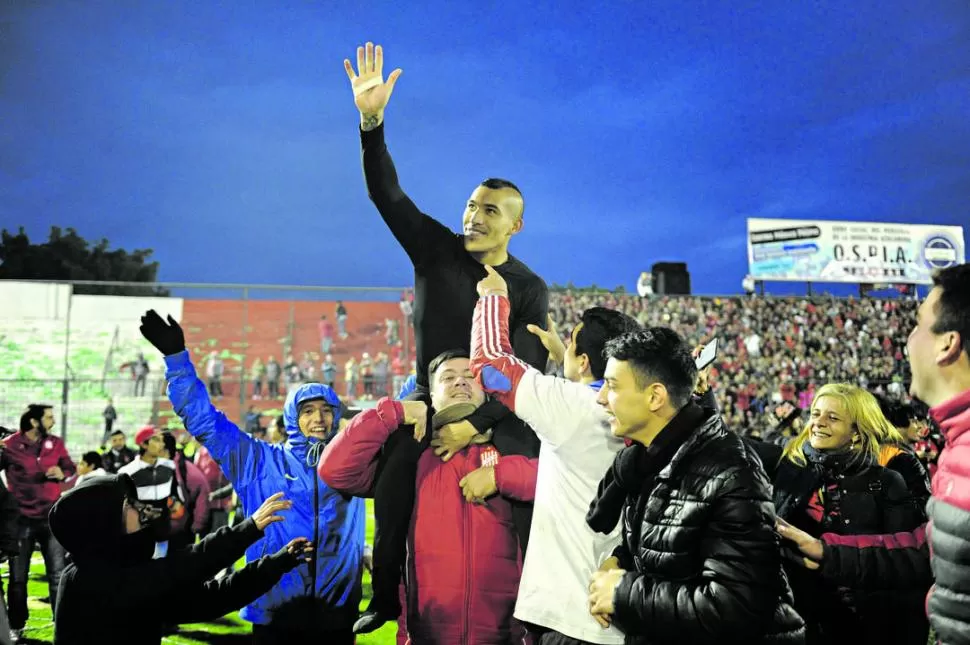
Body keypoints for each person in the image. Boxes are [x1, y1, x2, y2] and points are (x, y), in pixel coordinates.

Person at [344, 41, 549, 631]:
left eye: (490, 210)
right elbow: (387, 194)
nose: (474, 216)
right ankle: (386, 598)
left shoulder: (529, 287)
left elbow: (527, 369)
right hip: (429, 399)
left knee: (531, 484)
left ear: (516, 223)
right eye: (471, 205)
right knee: (392, 480)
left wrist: (475, 425)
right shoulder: (436, 252)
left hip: (498, 412)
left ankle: (535, 609)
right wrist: (372, 122)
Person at [139, 309, 366, 645]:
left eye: (326, 410)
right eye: (307, 411)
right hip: (274, 609)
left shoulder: (355, 462)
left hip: (337, 613)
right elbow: (204, 421)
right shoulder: (257, 461)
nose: (319, 418)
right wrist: (176, 359)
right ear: (292, 417)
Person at [776, 263, 970, 645]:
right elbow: (927, 549)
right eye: (816, 414)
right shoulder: (957, 448)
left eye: (916, 324)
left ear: (947, 344)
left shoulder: (894, 473)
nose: (907, 338)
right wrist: (827, 552)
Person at [584, 328, 805, 644]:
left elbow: (738, 606)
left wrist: (623, 592)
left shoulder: (730, 471)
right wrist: (620, 560)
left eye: (613, 385)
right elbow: (667, 549)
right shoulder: (649, 458)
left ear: (655, 397)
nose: (601, 397)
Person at [319, 349, 539, 645]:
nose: (461, 382)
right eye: (448, 377)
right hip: (425, 635)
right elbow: (335, 470)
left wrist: (499, 475)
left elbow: (560, 480)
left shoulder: (513, 449)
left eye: (470, 377)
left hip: (508, 635)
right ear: (430, 397)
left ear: (487, 394)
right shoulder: (409, 459)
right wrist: (394, 412)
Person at [469, 265, 640, 644]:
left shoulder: (573, 407)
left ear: (584, 362)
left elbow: (490, 369)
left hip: (573, 617)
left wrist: (493, 298)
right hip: (620, 608)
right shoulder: (637, 410)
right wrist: (570, 359)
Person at [751, 384, 927, 645]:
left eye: (832, 418)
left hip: (860, 628)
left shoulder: (887, 481)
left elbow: (902, 568)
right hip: (799, 621)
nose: (818, 423)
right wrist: (701, 395)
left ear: (857, 431)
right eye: (815, 414)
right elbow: (727, 445)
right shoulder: (791, 464)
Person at [50, 474, 313, 645]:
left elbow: (211, 599)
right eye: (128, 504)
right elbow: (181, 568)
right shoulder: (86, 579)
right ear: (102, 521)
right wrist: (249, 528)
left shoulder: (124, 565)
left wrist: (279, 562)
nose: (139, 508)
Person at [0, 404, 75, 642]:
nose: (52, 421)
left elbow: (70, 468)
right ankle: (16, 625)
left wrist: (62, 475)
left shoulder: (56, 443)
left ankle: (61, 624)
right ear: (34, 422)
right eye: (49, 417)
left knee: (57, 575)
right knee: (18, 578)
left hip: (51, 518)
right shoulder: (10, 446)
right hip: (21, 520)